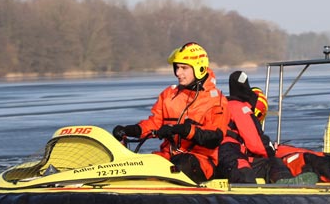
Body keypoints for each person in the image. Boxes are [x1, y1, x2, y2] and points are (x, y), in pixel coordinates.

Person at [112, 42, 229, 183]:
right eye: (177, 68)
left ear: (200, 69)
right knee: (140, 165)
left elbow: (214, 138)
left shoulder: (217, 101)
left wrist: (184, 130)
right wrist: (129, 130)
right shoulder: (168, 95)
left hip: (201, 161)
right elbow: (154, 123)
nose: (178, 73)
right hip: (167, 157)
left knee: (180, 164)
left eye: (184, 68)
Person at [217, 71, 318, 184]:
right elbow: (257, 144)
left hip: (218, 156)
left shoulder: (222, 106)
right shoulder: (240, 108)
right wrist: (270, 150)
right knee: (270, 163)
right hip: (230, 156)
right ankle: (284, 183)